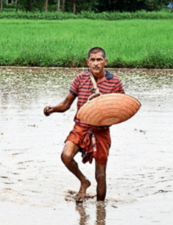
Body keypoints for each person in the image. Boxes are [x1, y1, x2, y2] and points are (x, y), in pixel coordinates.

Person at [43, 47, 125, 203]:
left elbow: (121, 109)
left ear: (105, 62)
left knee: (100, 175)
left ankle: (101, 210)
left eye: (99, 60)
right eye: (92, 60)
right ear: (87, 62)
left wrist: (108, 121)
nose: (95, 63)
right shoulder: (80, 78)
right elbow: (67, 103)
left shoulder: (115, 81)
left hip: (101, 131)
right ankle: (83, 181)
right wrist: (52, 109)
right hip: (81, 126)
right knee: (66, 155)